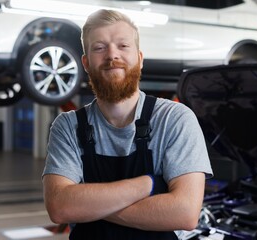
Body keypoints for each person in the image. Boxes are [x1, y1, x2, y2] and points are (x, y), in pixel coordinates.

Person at [42, 9, 213, 240]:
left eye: (123, 46)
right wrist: (147, 185)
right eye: (99, 47)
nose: (112, 55)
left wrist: (90, 205)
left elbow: (185, 213)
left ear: (140, 59)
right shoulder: (68, 126)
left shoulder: (174, 119)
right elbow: (60, 207)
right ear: (86, 63)